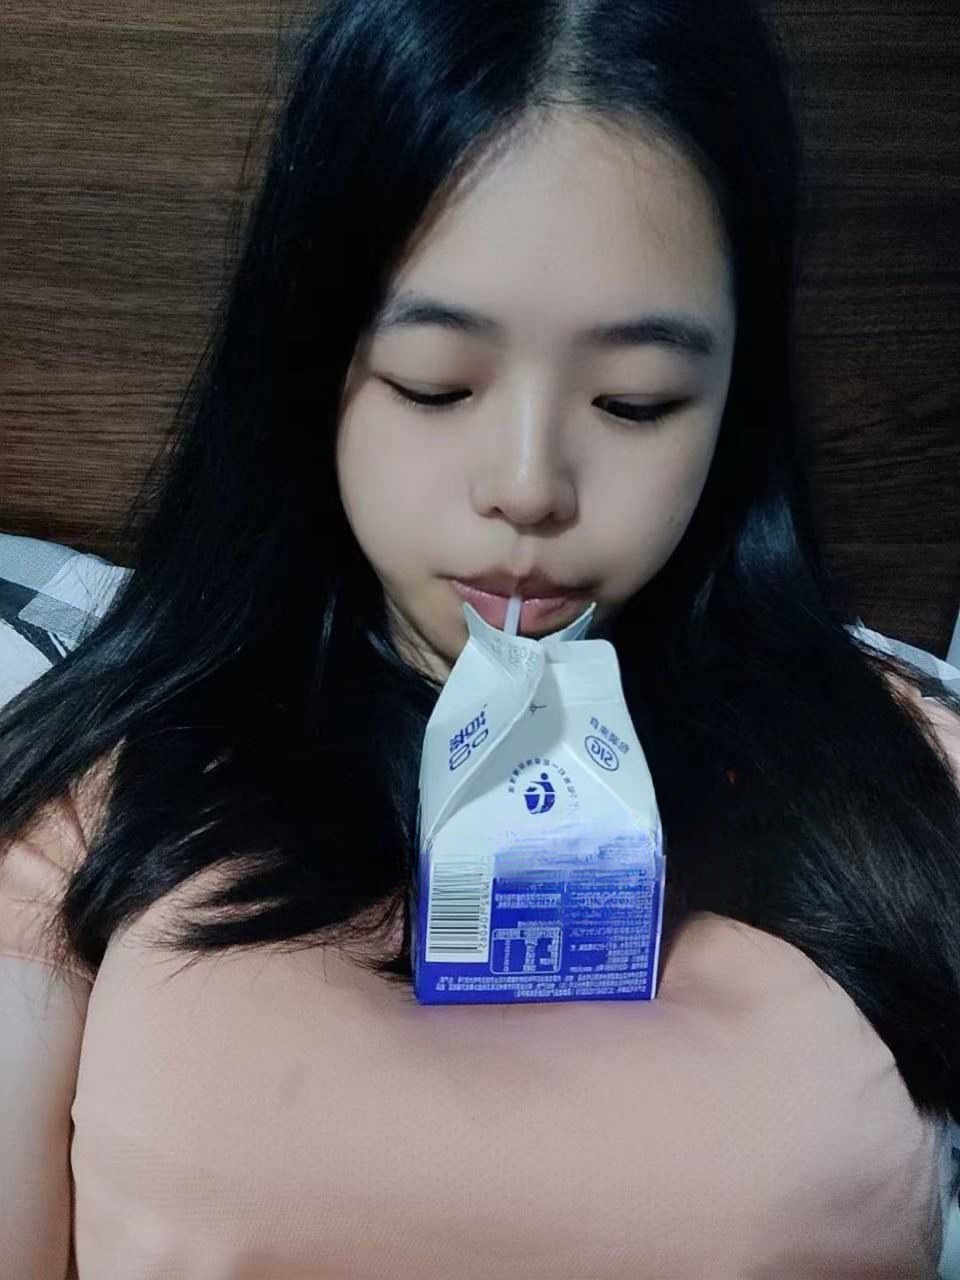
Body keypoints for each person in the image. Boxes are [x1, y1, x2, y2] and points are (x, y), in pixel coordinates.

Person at [2, 0, 959, 1275]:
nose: (528, 487)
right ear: (311, 366)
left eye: (636, 401)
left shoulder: (909, 781)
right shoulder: (94, 802)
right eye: (434, 383)